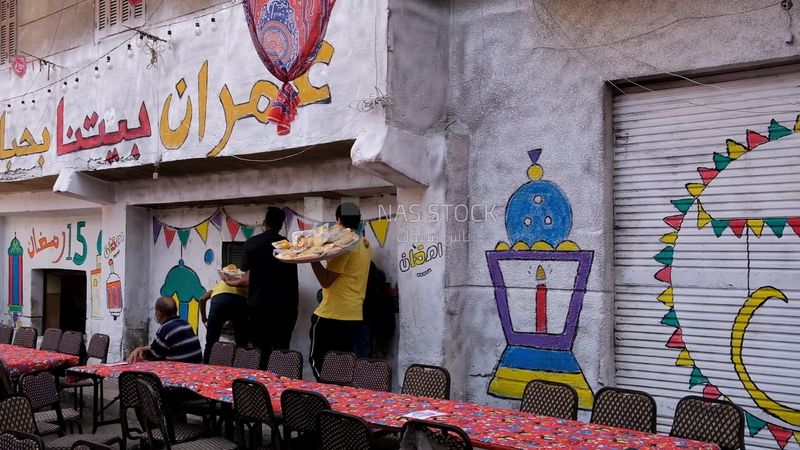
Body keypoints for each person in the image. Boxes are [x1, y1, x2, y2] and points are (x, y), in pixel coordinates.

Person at [224, 207, 299, 366]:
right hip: (285, 309)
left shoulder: (252, 244)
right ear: (281, 225)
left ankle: (262, 386)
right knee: (281, 352)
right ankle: (281, 388)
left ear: (264, 223)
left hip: (260, 308)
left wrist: (229, 282)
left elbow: (247, 280)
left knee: (261, 351)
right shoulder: (289, 246)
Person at [309, 202, 372, 380]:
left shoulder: (344, 245)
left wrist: (312, 257)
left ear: (338, 221)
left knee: (317, 361)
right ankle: (338, 402)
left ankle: (327, 399)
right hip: (352, 314)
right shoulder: (365, 243)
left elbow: (326, 281)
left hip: (331, 314)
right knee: (340, 367)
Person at [127, 296, 202, 363]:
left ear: (158, 314)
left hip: (179, 374)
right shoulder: (186, 324)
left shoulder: (165, 330)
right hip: (196, 370)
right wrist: (142, 348)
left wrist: (139, 357)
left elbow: (153, 357)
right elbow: (159, 347)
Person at [198, 278, 248, 363]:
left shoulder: (220, 284)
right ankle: (241, 369)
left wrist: (204, 319)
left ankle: (205, 368)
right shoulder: (243, 284)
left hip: (218, 301)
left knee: (210, 343)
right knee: (241, 344)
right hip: (238, 301)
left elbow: (202, 299)